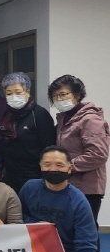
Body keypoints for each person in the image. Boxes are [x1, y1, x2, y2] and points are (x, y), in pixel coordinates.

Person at [48, 75, 109, 240]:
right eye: (55, 96)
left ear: (77, 95)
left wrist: (67, 167)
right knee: (67, 230)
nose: (59, 99)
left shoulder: (91, 120)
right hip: (67, 184)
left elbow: (98, 154)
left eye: (63, 94)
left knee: (86, 232)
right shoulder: (64, 119)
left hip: (87, 186)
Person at [0, 72, 56, 194]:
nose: (13, 96)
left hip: (33, 175)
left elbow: (49, 147)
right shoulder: (7, 115)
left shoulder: (39, 114)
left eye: (18, 92)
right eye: (9, 93)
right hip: (10, 175)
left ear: (27, 92)